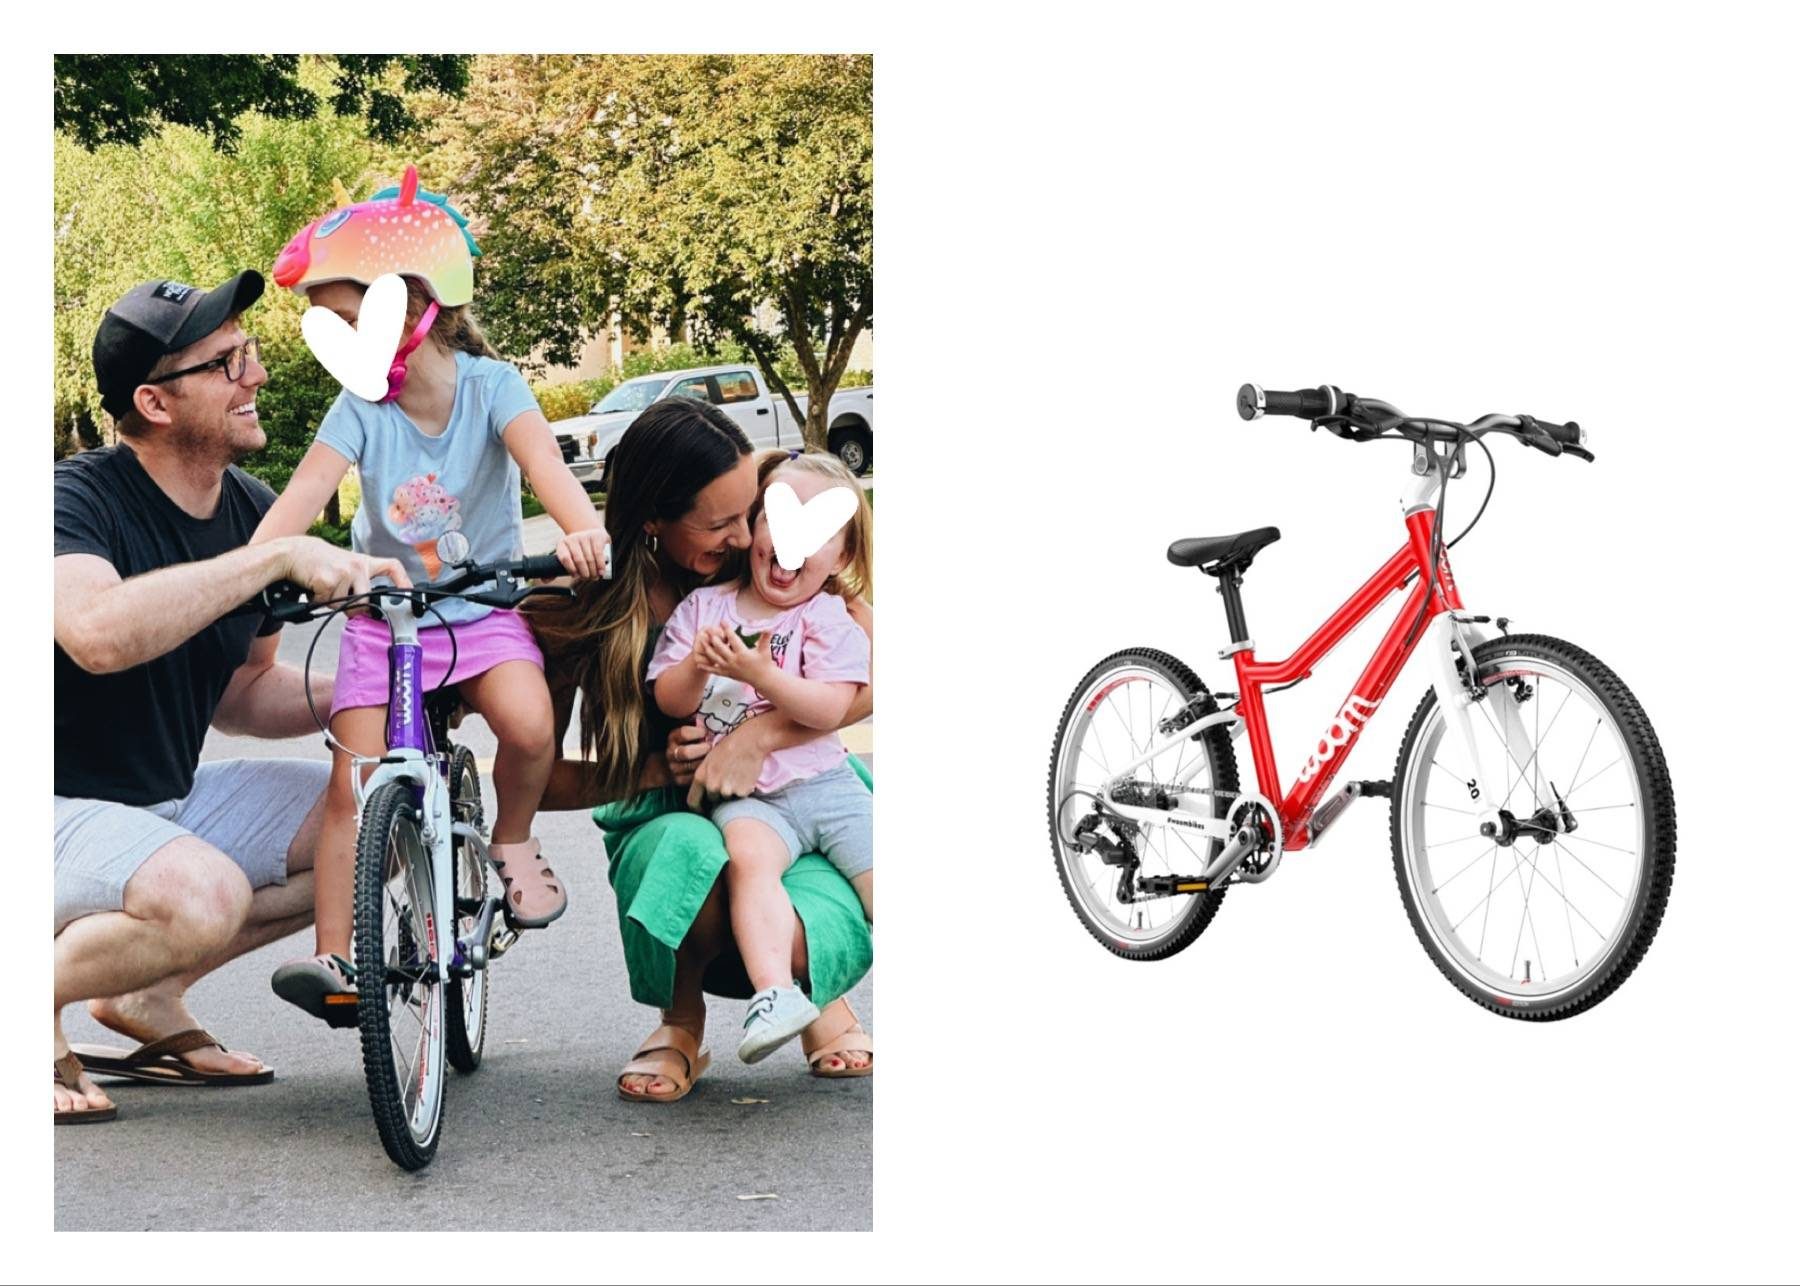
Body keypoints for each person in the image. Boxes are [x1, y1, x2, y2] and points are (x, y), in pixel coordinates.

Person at [254, 166, 610, 1021]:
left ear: (412, 308)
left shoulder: (492, 388)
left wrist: (580, 530)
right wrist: (264, 567)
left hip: (480, 608)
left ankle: (513, 839)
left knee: (527, 723)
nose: (337, 339)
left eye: (348, 319)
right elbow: (298, 508)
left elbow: (546, 468)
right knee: (352, 781)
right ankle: (337, 956)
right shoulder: (356, 409)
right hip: (387, 622)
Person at [54, 271, 409, 1124]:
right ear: (156, 401)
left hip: (157, 806)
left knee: (369, 818)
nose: (255, 376)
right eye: (226, 363)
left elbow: (245, 691)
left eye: (247, 353)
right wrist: (267, 561)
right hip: (47, 809)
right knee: (203, 894)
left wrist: (391, 692)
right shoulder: (71, 499)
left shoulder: (249, 508)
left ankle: (148, 997)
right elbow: (96, 635)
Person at [530, 399, 874, 1103]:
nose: (749, 534)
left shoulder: (789, 572)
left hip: (793, 790)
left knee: (846, 849)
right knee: (700, 852)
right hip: (672, 818)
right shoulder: (591, 604)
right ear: (655, 521)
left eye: (752, 511)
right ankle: (680, 1021)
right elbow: (532, 783)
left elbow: (869, 679)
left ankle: (820, 998)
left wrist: (759, 735)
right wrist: (660, 767)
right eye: (721, 524)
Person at [648, 453, 874, 1062]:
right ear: (753, 526)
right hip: (748, 800)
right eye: (781, 516)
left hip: (826, 784)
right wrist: (698, 664)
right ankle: (774, 994)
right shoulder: (705, 611)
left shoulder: (827, 616)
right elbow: (669, 698)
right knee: (749, 866)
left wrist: (757, 671)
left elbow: (829, 708)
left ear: (842, 559)